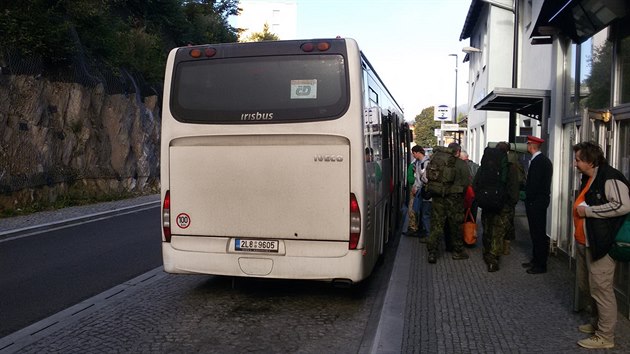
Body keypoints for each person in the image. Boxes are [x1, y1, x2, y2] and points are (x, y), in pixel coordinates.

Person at [572, 141, 630, 349]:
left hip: (601, 244)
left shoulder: (609, 177)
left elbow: (622, 205)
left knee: (602, 289)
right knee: (589, 286)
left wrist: (589, 212)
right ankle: (598, 324)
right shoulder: (590, 176)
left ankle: (605, 335)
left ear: (590, 160)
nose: (575, 164)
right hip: (587, 241)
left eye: (578, 160)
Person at [473, 142, 521, 272]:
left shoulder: (484, 167)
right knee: (498, 231)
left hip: (486, 203)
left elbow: (475, 184)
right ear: (507, 152)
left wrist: (480, 199)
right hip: (503, 205)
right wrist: (511, 203)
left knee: (487, 228)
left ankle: (486, 252)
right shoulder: (510, 168)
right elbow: (514, 189)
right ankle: (493, 259)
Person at [426, 142, 471, 263]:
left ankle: (432, 253)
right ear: (458, 151)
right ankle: (457, 251)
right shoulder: (461, 163)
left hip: (438, 197)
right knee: (455, 224)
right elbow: (467, 182)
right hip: (455, 199)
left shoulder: (438, 160)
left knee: (436, 224)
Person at [522, 135, 553, 274]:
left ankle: (541, 264)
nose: (527, 146)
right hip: (538, 201)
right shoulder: (541, 160)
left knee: (538, 233)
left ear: (531, 145)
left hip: (536, 202)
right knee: (535, 232)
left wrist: (528, 197)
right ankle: (536, 260)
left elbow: (534, 184)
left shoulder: (539, 162)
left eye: (528, 144)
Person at [405, 145, 425, 236]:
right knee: (416, 210)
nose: (413, 156)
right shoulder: (416, 163)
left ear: (417, 152)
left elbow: (413, 178)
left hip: (418, 190)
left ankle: (413, 228)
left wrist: (415, 186)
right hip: (419, 189)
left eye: (413, 153)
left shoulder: (422, 163)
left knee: (413, 209)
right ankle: (416, 228)